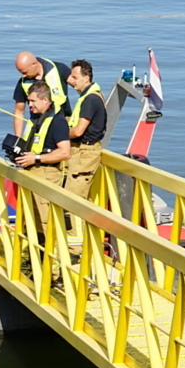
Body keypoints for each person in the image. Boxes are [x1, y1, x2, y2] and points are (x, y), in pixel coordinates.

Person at [15, 80, 71, 237]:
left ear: (45, 100)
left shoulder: (57, 121)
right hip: (32, 174)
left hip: (47, 174)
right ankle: (36, 257)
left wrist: (36, 158)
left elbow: (65, 153)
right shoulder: (36, 119)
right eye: (28, 101)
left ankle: (54, 258)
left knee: (46, 221)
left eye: (33, 101)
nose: (29, 105)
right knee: (32, 221)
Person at [64, 59, 107, 248]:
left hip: (85, 153)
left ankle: (76, 249)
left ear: (86, 77)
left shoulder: (90, 99)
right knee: (73, 197)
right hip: (81, 151)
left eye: (75, 77)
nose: (70, 81)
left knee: (74, 201)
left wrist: (58, 133)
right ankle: (78, 242)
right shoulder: (89, 96)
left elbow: (78, 130)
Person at [12, 52, 71, 137]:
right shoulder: (23, 83)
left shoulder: (59, 69)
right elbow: (19, 111)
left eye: (25, 72)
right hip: (39, 126)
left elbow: (78, 85)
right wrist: (17, 137)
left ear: (34, 64)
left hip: (62, 121)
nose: (23, 75)